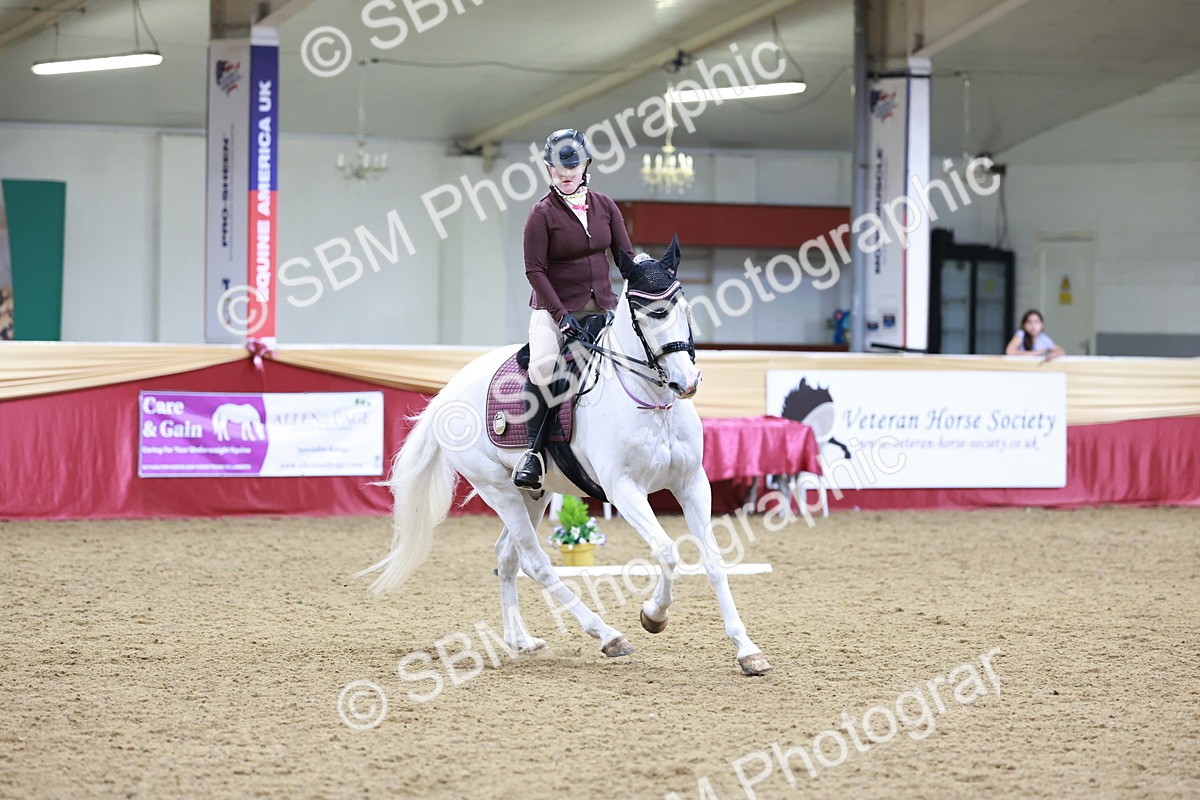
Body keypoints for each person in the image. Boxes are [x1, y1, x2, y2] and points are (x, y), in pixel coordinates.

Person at [512, 129, 634, 490]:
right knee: (546, 366)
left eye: (572, 166)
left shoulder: (605, 205)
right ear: (549, 169)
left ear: (586, 166)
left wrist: (648, 276)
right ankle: (533, 454)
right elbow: (534, 270)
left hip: (605, 307)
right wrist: (562, 316)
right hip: (554, 310)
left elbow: (624, 257)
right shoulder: (541, 214)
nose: (565, 174)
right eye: (557, 168)